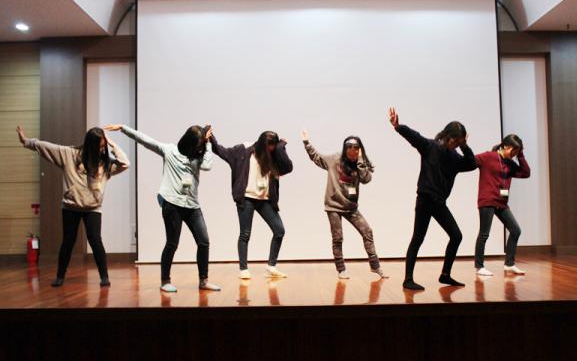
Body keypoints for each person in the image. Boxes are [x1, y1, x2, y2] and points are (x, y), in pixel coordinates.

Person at [104, 123, 220, 292]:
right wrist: (123, 128)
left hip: (192, 205)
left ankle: (203, 281)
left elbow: (208, 166)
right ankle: (165, 281)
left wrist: (208, 143)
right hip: (172, 205)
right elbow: (145, 140)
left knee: (204, 241)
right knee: (172, 243)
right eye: (198, 144)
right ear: (189, 142)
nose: (199, 147)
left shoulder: (197, 157)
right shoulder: (169, 151)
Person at [17, 125, 130, 287]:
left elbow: (125, 163)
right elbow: (46, 147)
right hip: (71, 207)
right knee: (68, 242)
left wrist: (111, 144)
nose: (101, 150)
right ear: (90, 145)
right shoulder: (69, 155)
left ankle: (104, 277)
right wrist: (26, 142)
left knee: (96, 241)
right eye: (100, 147)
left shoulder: (105, 163)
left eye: (103, 147)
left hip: (93, 208)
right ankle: (60, 276)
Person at [388, 107, 477, 290]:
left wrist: (465, 147)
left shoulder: (455, 158)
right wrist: (398, 126)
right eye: (455, 141)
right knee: (418, 238)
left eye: (459, 142)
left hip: (439, 203)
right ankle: (408, 279)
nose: (455, 144)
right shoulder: (430, 147)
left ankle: (445, 275)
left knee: (456, 236)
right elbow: (414, 136)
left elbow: (472, 164)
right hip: (425, 200)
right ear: (447, 136)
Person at [302, 129, 388, 279]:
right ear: (345, 149)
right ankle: (341, 269)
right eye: (349, 148)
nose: (352, 151)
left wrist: (360, 161)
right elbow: (317, 157)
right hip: (333, 205)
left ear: (360, 150)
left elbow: (366, 179)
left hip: (351, 207)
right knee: (338, 237)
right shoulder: (335, 159)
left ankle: (375, 267)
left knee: (367, 231)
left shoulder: (360, 164)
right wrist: (306, 142)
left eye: (356, 149)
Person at [210, 130, 293, 279]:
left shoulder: (274, 154)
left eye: (273, 147)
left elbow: (288, 168)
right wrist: (211, 138)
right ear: (261, 144)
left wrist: (281, 148)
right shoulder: (244, 150)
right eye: (269, 147)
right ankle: (243, 269)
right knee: (245, 234)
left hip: (265, 200)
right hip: (246, 198)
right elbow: (222, 152)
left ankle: (271, 266)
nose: (270, 150)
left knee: (279, 230)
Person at [474, 134, 530, 276]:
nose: (515, 154)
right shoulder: (488, 157)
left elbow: (526, 173)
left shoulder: (510, 163)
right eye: (514, 151)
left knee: (515, 230)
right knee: (484, 233)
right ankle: (479, 266)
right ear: (505, 146)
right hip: (487, 200)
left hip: (501, 202)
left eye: (517, 152)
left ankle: (509, 264)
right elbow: (470, 162)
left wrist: (521, 155)